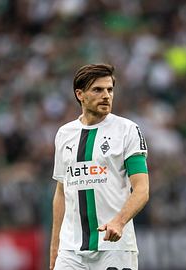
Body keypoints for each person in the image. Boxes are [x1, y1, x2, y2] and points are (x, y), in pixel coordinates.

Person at [49, 63, 150, 270]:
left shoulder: (128, 130)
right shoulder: (64, 134)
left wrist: (119, 222)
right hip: (71, 250)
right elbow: (61, 192)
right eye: (98, 89)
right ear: (80, 94)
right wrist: (55, 247)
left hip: (114, 248)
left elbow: (142, 189)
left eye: (110, 90)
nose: (106, 95)